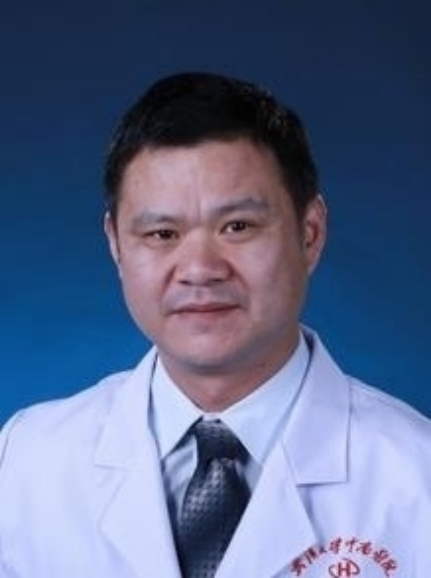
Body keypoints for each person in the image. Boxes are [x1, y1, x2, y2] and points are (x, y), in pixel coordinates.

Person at [0, 72, 430, 578]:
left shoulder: (416, 476)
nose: (200, 269)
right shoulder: (25, 462)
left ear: (310, 234)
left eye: (238, 227)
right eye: (163, 233)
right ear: (116, 244)